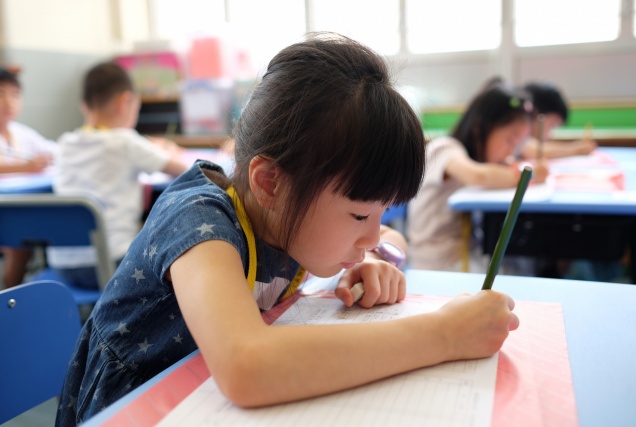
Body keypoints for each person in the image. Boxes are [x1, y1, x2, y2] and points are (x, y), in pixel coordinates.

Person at [56, 34, 519, 425]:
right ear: (270, 184)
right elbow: (246, 366)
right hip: (133, 408)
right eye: (360, 217)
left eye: (383, 213)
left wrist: (377, 259)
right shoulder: (197, 222)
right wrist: (443, 334)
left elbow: (390, 241)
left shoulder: (288, 218)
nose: (372, 234)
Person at [48, 61, 189, 290]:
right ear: (125, 101)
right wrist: (168, 149)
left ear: (85, 105)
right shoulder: (126, 141)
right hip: (113, 264)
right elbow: (185, 169)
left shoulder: (64, 143)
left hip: (63, 268)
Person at [407, 78, 549, 272]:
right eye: (510, 140)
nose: (511, 151)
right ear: (480, 126)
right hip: (439, 262)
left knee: (523, 261)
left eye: (517, 145)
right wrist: (526, 175)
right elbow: (478, 176)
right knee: (519, 268)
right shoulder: (444, 148)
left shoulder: (474, 158)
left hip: (464, 253)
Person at [0, 66, 57, 288]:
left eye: (15, 94)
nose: (9, 102)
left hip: (16, 211)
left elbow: (53, 151)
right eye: (1, 94)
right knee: (19, 237)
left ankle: (14, 293)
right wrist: (26, 166)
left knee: (24, 235)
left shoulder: (20, 132)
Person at [518, 81, 596, 160]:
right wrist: (577, 149)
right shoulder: (517, 129)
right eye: (551, 126)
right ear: (536, 114)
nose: (549, 136)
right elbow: (533, 150)